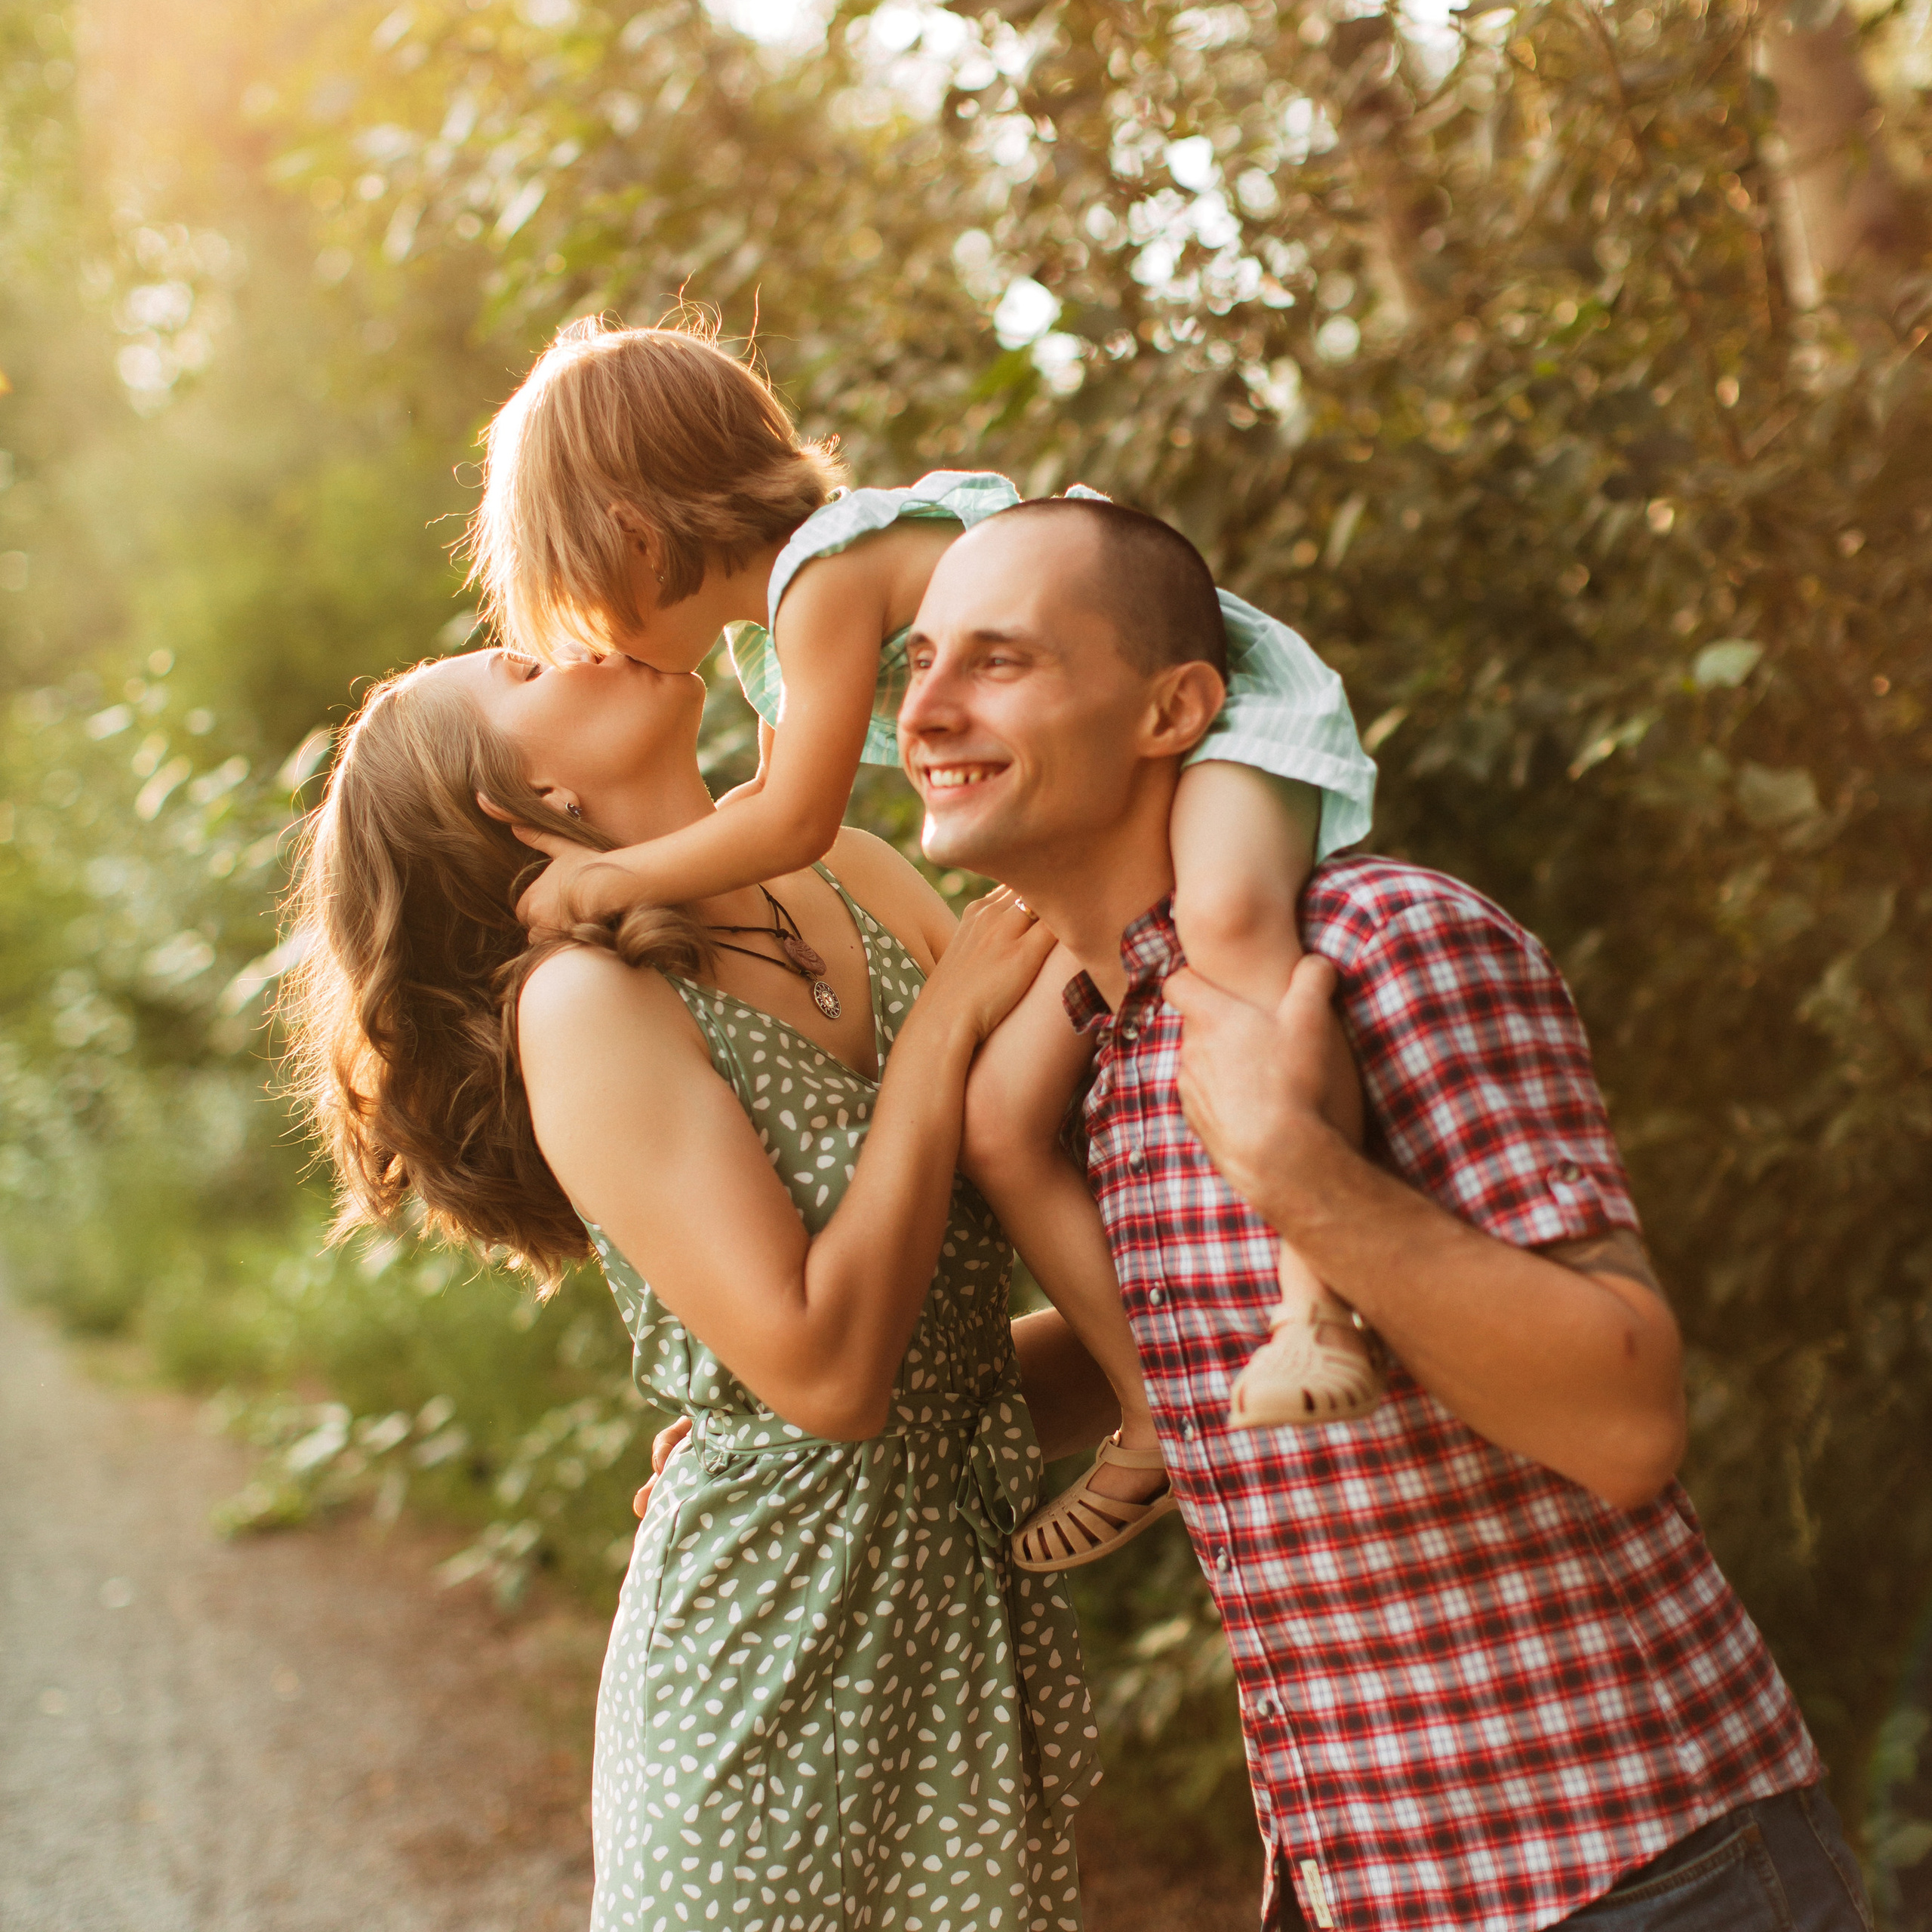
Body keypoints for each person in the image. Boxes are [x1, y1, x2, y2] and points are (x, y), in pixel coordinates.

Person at [897, 496, 1872, 1932]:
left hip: (1642, 1870)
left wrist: (1297, 1172)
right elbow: (1178, 1345)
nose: (925, 707)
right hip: (1374, 1874)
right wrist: (815, 1429)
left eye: (998, 661)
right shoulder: (1109, 1043)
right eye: (917, 662)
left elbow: (1625, 1418)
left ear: (1176, 708)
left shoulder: (1383, 947)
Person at [463, 315, 1389, 1572]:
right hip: (1127, 791)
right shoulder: (770, 641)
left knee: (1230, 940)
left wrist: (613, 879)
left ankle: (1320, 1294)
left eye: (579, 606)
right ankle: (1152, 1403)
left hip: (1216, 722)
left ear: (632, 532)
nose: (598, 646)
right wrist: (751, 1422)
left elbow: (795, 821)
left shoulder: (825, 579)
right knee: (1006, 1119)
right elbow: (779, 813)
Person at [280, 638, 1124, 1932]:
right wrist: (943, 1031)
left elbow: (955, 1378)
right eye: (520, 669)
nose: (582, 639)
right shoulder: (585, 1002)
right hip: (761, 1693)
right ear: (526, 802)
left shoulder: (849, 866)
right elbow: (834, 1380)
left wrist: (1206, 1337)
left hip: (952, 1657)